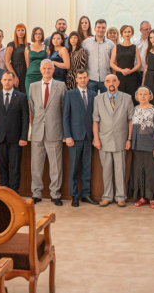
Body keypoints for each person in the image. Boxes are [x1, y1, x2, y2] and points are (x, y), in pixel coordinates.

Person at [29, 60, 66, 206]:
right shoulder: (33, 86)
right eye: (44, 68)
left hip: (54, 131)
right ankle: (36, 193)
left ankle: (55, 194)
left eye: (49, 68)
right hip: (38, 131)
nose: (46, 71)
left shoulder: (61, 86)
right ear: (40, 69)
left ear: (53, 69)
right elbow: (32, 109)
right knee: (36, 165)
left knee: (56, 165)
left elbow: (64, 109)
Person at [93, 74, 134, 207]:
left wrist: (129, 138)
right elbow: (95, 120)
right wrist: (96, 139)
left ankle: (121, 196)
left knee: (120, 169)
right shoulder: (98, 99)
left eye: (114, 81)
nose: (111, 83)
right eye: (108, 81)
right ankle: (107, 196)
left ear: (118, 83)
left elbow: (130, 120)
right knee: (106, 170)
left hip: (121, 139)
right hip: (104, 139)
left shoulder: (127, 98)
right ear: (105, 84)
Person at [0, 71, 29, 193]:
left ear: (14, 81)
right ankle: (4, 192)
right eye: (5, 80)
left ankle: (14, 193)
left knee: (15, 167)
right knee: (2, 167)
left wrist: (24, 137)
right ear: (1, 81)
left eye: (10, 80)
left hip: (16, 139)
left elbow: (25, 119)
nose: (7, 82)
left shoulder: (21, 97)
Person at [63, 69, 98, 207]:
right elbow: (65, 116)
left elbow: (95, 117)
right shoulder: (70, 94)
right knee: (74, 168)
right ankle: (74, 196)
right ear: (76, 79)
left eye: (85, 77)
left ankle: (86, 194)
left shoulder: (94, 95)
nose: (83, 80)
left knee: (86, 167)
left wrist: (95, 136)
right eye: (80, 78)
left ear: (88, 78)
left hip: (88, 137)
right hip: (74, 138)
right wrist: (68, 136)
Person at [128, 87, 154, 209]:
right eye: (140, 94)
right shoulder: (134, 109)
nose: (143, 96)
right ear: (137, 96)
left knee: (151, 171)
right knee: (139, 172)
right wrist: (129, 140)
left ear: (150, 96)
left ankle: (152, 198)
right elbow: (131, 126)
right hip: (137, 145)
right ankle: (142, 198)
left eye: (145, 94)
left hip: (150, 145)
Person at [82, 19, 115, 94]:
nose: (101, 29)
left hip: (106, 79)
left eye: (103, 27)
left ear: (105, 29)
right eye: (99, 27)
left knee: (106, 100)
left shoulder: (111, 44)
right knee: (91, 100)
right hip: (91, 78)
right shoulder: (86, 43)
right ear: (94, 28)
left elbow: (114, 62)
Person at [110, 24, 141, 104]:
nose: (127, 34)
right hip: (120, 76)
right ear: (122, 33)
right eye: (125, 32)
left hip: (132, 76)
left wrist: (130, 71)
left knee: (132, 98)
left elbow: (139, 63)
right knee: (119, 99)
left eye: (129, 32)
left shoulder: (135, 47)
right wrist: (122, 70)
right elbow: (112, 63)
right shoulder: (116, 47)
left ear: (132, 33)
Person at [5, 24, 29, 94]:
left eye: (22, 30)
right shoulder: (11, 44)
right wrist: (14, 76)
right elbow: (7, 61)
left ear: (25, 32)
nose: (20, 32)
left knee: (25, 93)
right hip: (15, 70)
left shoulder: (29, 45)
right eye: (18, 30)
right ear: (15, 32)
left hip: (26, 71)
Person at [24, 27, 48, 96]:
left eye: (40, 34)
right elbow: (27, 64)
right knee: (30, 97)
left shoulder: (46, 48)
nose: (38, 35)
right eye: (36, 33)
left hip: (42, 75)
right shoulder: (28, 48)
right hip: (31, 75)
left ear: (42, 35)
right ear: (33, 35)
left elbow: (47, 62)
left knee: (42, 96)